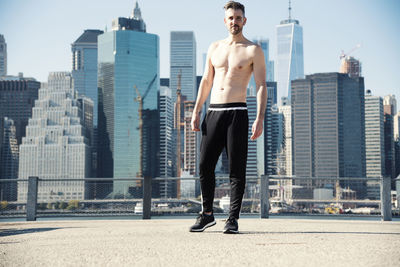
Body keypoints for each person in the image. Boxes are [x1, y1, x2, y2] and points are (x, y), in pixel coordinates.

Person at [189, 1, 267, 234]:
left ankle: (232, 219)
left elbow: (261, 85)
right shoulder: (215, 48)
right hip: (213, 111)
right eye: (231, 17)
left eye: (238, 17)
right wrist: (196, 110)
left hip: (238, 113)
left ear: (244, 20)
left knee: (237, 169)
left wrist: (260, 117)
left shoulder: (253, 50)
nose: (234, 21)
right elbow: (206, 81)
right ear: (225, 21)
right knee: (204, 165)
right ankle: (207, 215)